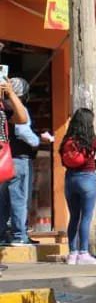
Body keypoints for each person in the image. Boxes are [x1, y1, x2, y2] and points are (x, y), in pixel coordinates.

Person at [60, 108, 96, 265]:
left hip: (70, 179)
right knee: (86, 217)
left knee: (74, 217)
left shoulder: (67, 139)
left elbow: (63, 160)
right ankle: (83, 253)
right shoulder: (91, 139)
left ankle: (72, 254)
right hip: (87, 178)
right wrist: (94, 163)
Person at [0, 78, 39, 246]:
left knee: (4, 200)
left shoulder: (4, 110)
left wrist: (9, 95)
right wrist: (12, 94)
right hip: (15, 159)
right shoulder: (10, 109)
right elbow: (23, 123)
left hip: (5, 159)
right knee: (19, 199)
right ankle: (18, 235)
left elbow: (20, 119)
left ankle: (3, 235)